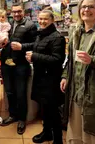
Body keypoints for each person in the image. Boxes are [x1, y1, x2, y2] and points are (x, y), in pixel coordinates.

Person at [60, 0, 95, 144]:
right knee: (77, 134)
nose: (86, 10)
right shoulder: (76, 32)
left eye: (91, 7)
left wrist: (93, 60)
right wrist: (65, 76)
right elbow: (70, 60)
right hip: (76, 94)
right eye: (83, 7)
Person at [25, 10, 66, 144]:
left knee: (53, 111)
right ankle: (47, 133)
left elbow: (57, 59)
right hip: (41, 77)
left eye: (45, 19)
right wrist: (33, 58)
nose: (42, 22)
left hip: (51, 80)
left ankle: (58, 140)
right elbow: (41, 53)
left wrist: (35, 56)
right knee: (45, 109)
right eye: (40, 19)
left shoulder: (57, 37)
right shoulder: (40, 35)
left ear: (52, 20)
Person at [0, 3, 37, 135]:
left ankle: (22, 119)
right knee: (9, 91)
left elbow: (35, 44)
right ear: (11, 12)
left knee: (21, 93)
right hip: (6, 64)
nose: (16, 14)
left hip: (21, 64)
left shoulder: (30, 25)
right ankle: (12, 115)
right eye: (14, 12)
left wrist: (22, 46)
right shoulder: (7, 24)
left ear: (24, 11)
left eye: (19, 11)